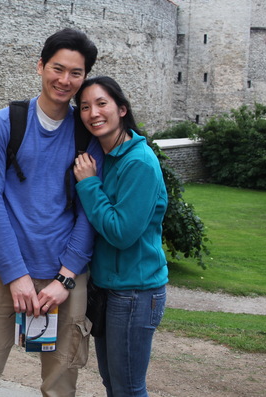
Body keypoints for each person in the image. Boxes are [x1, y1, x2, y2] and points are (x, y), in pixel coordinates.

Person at [0, 28, 101, 397]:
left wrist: (65, 279)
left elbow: (89, 213)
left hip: (64, 277)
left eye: (76, 73)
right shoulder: (6, 123)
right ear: (40, 66)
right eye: (57, 68)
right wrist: (16, 274)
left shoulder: (86, 134)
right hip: (1, 271)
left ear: (84, 77)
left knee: (61, 386)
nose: (64, 80)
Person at [73, 76, 168, 397]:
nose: (93, 113)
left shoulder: (139, 163)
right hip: (110, 290)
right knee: (113, 384)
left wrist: (88, 184)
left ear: (122, 109)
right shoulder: (106, 157)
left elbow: (121, 233)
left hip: (135, 292)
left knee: (127, 388)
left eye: (102, 104)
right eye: (85, 107)